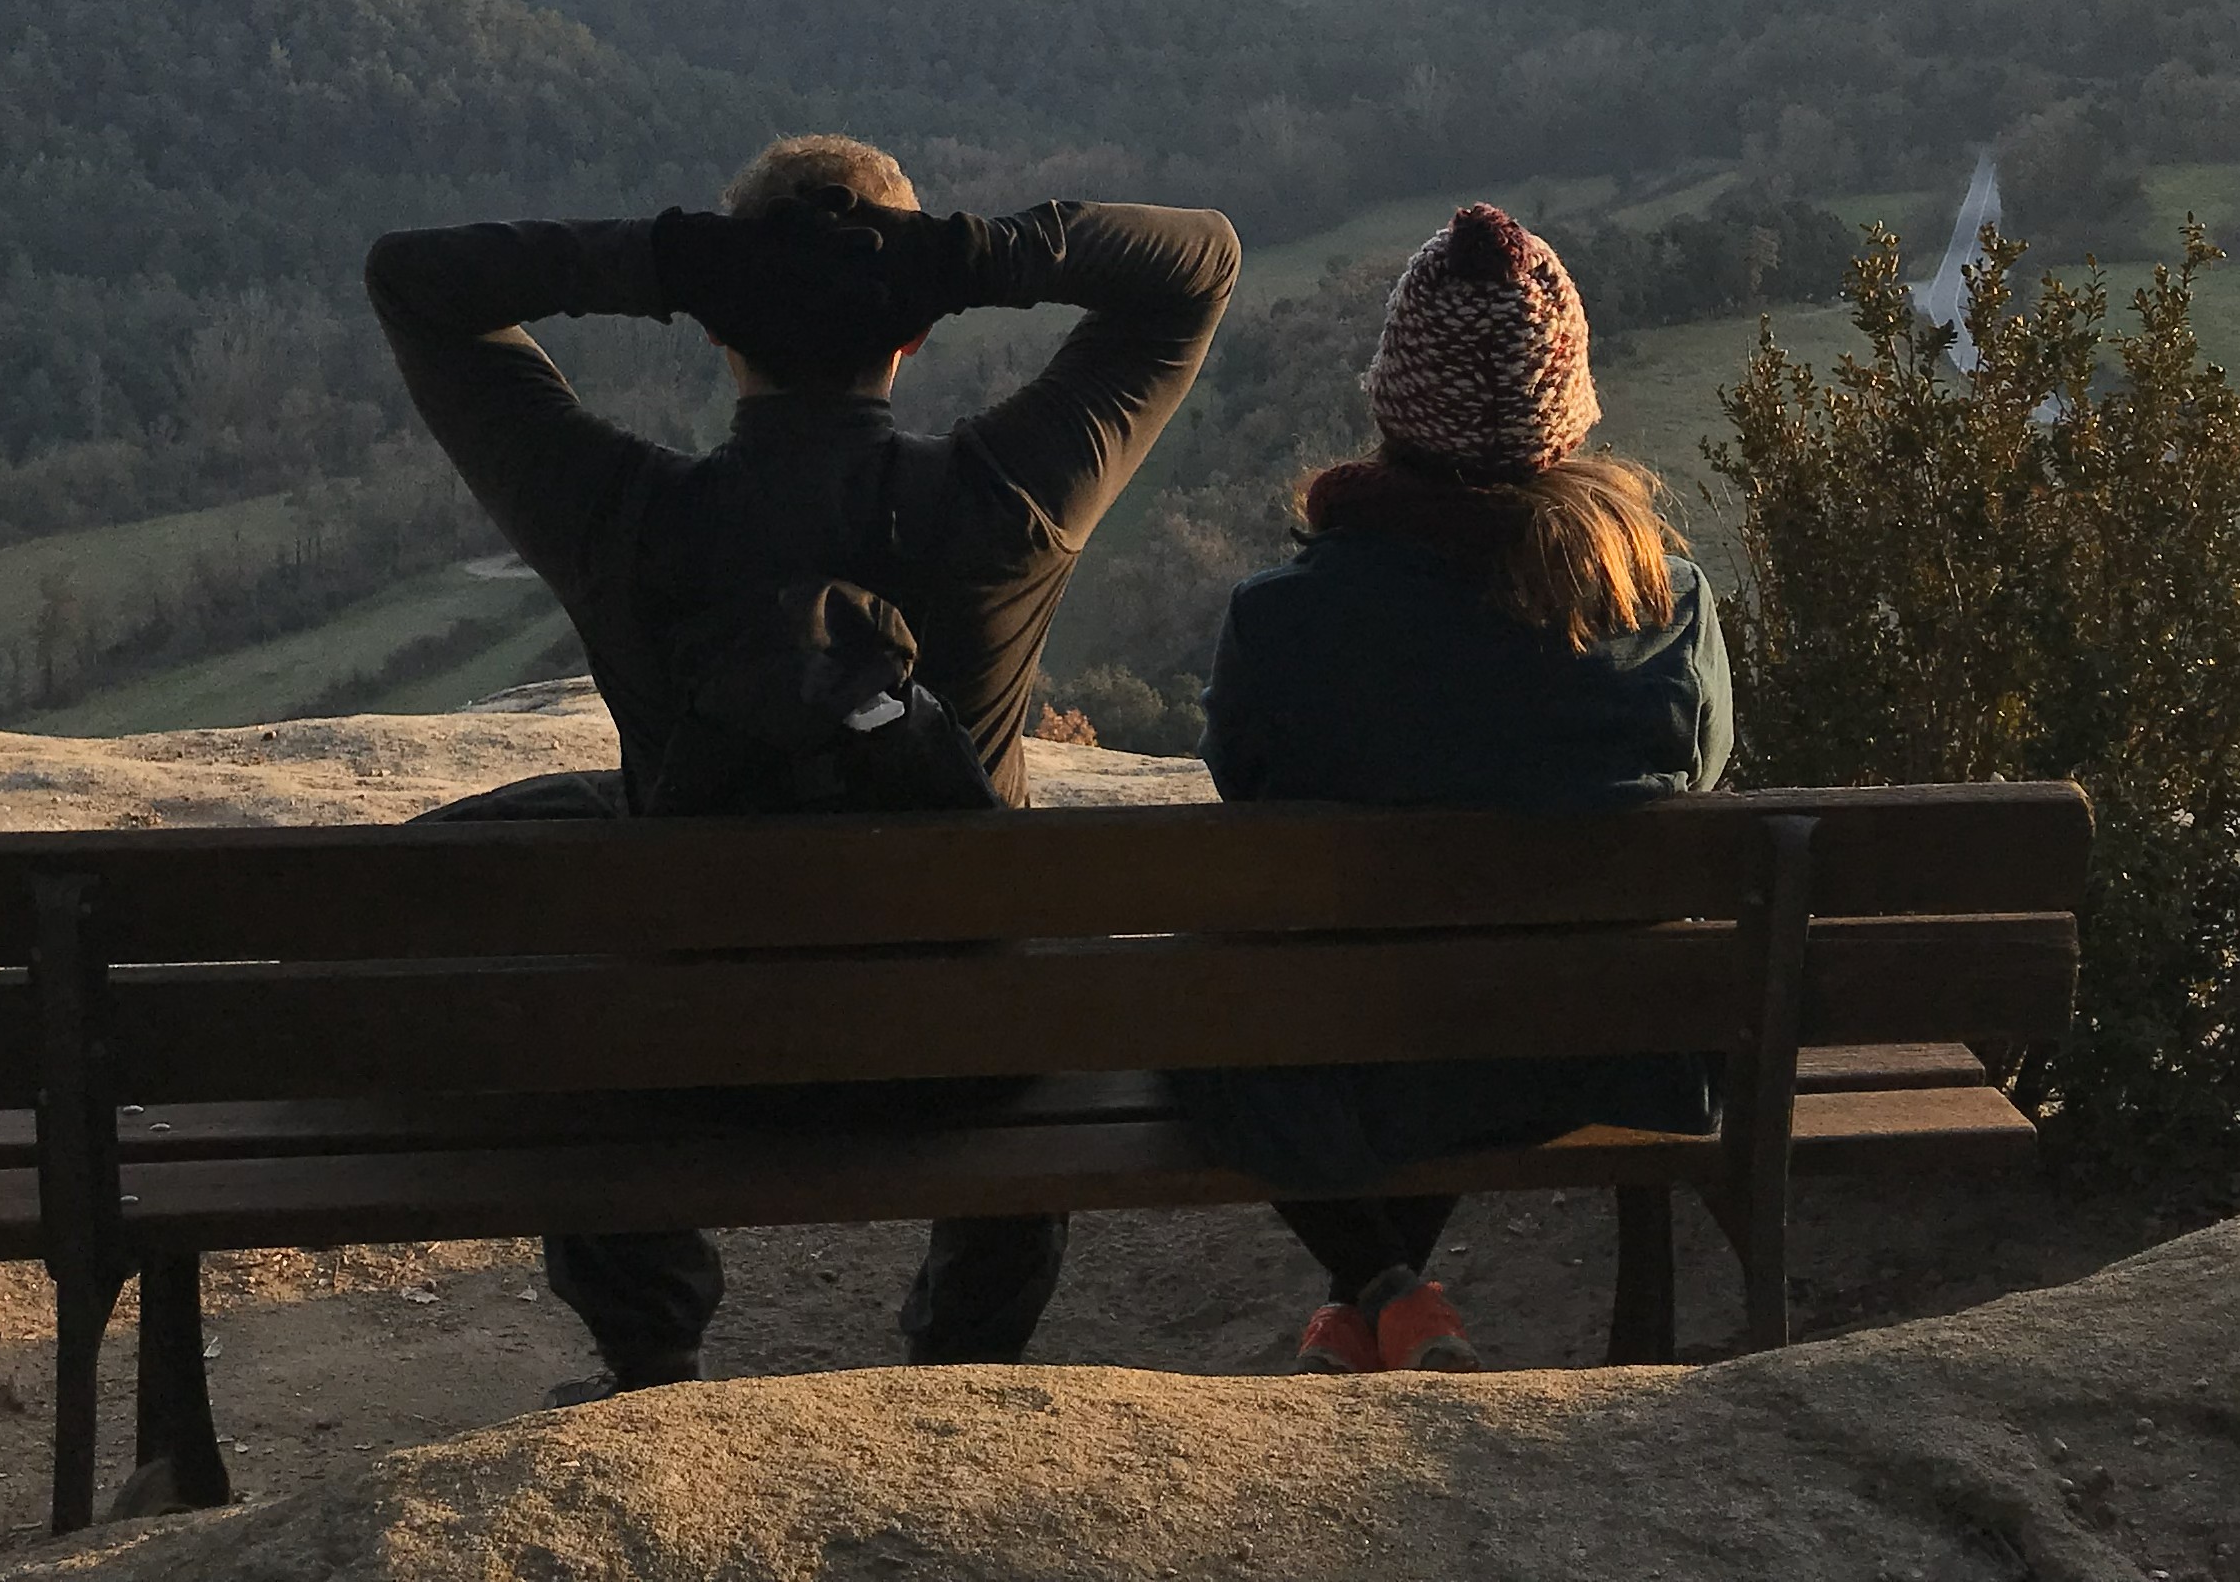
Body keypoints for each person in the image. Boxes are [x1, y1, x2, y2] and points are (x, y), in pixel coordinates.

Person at [364, 135, 1239, 1395]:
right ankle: (967, 1358)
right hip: (967, 1059)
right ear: (911, 332)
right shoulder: (1005, 505)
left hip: (689, 1054)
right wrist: (962, 256)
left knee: (548, 856)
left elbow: (413, 278)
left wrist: (670, 259)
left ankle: (651, 1350)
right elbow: (1199, 259)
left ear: (722, 328)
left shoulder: (623, 520)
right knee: (1012, 883)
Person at [1184, 201, 1730, 1377]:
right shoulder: (1664, 603)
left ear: (1395, 403)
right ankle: (1388, 1311)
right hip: (1607, 1046)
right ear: (1570, 406)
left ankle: (1383, 1290)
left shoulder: (1286, 622)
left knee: (1211, 1002)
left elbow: (1247, 786)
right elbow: (1699, 774)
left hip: (1372, 1059)